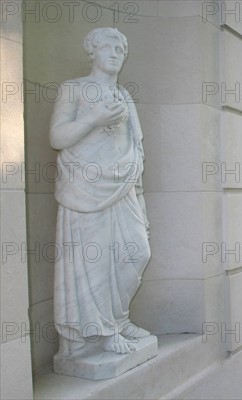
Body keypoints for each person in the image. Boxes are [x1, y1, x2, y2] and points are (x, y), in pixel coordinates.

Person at [50, 27, 151, 355]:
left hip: (122, 188)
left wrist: (141, 201)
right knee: (94, 263)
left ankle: (119, 320)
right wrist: (93, 118)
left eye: (120, 49)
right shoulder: (73, 89)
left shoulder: (125, 97)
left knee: (136, 254)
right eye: (107, 47)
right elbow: (57, 138)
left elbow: (135, 150)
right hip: (84, 188)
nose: (115, 53)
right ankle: (102, 332)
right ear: (91, 51)